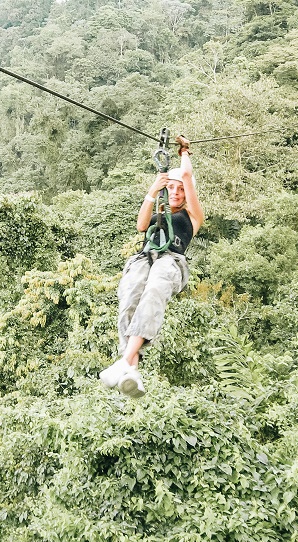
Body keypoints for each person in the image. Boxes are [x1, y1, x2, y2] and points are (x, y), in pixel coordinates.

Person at [99, 136, 204, 397]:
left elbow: (188, 177)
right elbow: (140, 225)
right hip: (145, 257)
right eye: (172, 189)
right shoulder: (159, 213)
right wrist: (154, 188)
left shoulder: (193, 216)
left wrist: (184, 151)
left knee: (154, 291)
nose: (176, 193)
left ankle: (125, 360)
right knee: (129, 296)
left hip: (170, 260)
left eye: (180, 190)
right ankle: (131, 369)